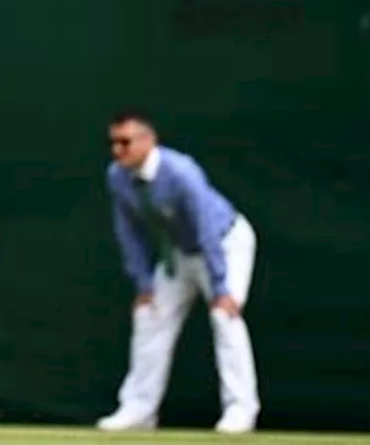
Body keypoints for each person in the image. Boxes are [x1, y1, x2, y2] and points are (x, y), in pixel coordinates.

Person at [98, 110, 260, 435]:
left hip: (225, 244)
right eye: (113, 143)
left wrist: (220, 286)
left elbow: (206, 228)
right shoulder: (117, 175)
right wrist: (143, 283)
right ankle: (138, 410)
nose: (118, 150)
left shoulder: (181, 172)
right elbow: (128, 232)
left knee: (224, 318)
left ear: (148, 141)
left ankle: (241, 411)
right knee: (149, 315)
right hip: (180, 255)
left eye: (125, 142)